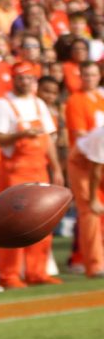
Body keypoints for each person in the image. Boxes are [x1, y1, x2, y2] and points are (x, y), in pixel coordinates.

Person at [0, 63, 63, 287]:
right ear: (13, 79)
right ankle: (9, 274)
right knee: (14, 224)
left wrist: (56, 168)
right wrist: (21, 134)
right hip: (15, 170)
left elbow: (49, 139)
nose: (26, 82)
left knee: (42, 221)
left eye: (30, 78)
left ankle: (37, 271)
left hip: (39, 168)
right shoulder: (4, 104)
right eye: (22, 78)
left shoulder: (38, 103)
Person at [63, 61, 104, 280]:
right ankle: (94, 265)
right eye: (85, 74)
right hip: (84, 161)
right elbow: (94, 165)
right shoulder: (75, 101)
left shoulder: (101, 97)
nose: (89, 78)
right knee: (91, 209)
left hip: (98, 159)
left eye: (93, 74)